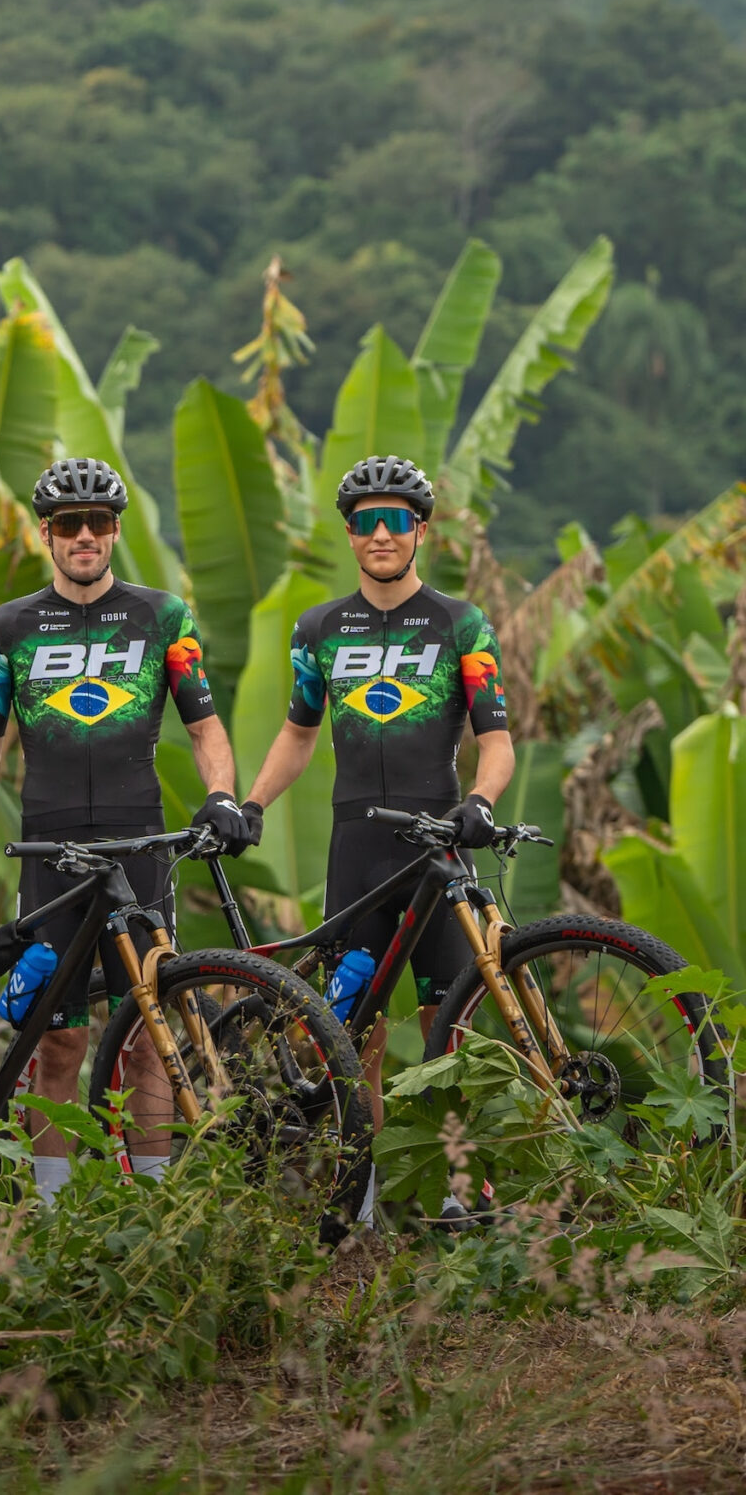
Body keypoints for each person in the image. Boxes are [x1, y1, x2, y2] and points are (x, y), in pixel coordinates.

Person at [0, 458, 247, 1203]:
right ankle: (52, 1217)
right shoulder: (9, 628)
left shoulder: (162, 616)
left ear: (116, 530)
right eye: (68, 524)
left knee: (151, 1040)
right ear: (47, 534)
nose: (84, 535)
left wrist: (222, 793)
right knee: (55, 1040)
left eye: (98, 522)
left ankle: (153, 1206)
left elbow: (205, 726)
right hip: (50, 851)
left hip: (140, 848)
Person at [242, 456, 512, 1220]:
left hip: (439, 844)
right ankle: (360, 1200)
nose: (383, 533)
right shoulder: (319, 628)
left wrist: (483, 800)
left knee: (446, 1025)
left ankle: (464, 1192)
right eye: (367, 521)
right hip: (356, 847)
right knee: (349, 1028)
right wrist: (254, 803)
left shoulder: (460, 623)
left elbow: (497, 740)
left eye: (398, 519)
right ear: (351, 534)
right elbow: (298, 736)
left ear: (422, 530)